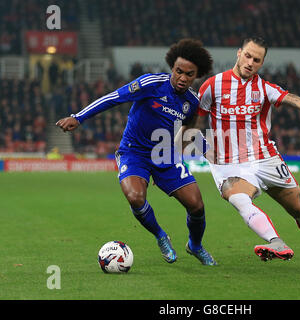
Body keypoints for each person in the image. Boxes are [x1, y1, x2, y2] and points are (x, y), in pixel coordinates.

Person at [191, 37, 300, 262]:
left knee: (299, 209)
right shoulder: (212, 85)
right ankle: (275, 242)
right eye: (247, 56)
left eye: (256, 60)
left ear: (261, 63)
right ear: (239, 53)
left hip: (265, 157)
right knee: (240, 199)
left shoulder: (265, 88)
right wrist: (206, 151)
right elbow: (191, 124)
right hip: (229, 164)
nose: (250, 62)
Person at [56, 39, 217, 265]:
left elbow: (189, 127)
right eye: (178, 71)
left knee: (197, 205)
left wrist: (178, 149)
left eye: (189, 74)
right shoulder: (150, 84)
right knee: (135, 197)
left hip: (165, 156)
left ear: (196, 75)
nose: (182, 77)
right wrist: (78, 117)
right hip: (134, 152)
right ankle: (161, 236)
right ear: (172, 67)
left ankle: (195, 245)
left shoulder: (191, 101)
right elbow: (113, 98)